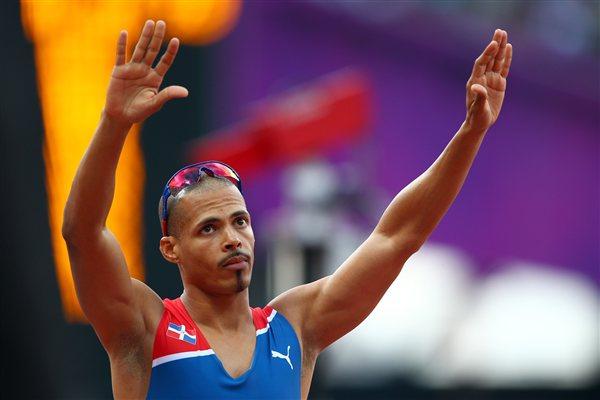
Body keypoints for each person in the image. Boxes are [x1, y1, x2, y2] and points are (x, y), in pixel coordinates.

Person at [62, 20, 512, 399]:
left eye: (240, 221)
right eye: (208, 229)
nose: (232, 238)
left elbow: (397, 237)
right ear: (170, 248)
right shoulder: (143, 329)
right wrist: (114, 124)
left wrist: (471, 133)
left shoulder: (295, 328)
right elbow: (82, 235)